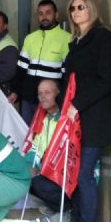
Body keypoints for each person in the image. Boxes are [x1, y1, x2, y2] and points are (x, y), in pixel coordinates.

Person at [62, 0, 111, 222]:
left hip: (95, 118)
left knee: (84, 174)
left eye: (81, 7)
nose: (75, 11)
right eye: (72, 8)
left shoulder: (104, 37)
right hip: (74, 117)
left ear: (92, 9)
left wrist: (78, 104)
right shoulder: (76, 42)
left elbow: (107, 79)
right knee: (73, 172)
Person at [10, 0, 72, 124]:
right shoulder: (30, 38)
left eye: (48, 13)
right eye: (40, 13)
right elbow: (21, 69)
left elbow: (67, 74)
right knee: (27, 133)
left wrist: (63, 99)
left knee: (48, 136)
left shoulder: (67, 38)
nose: (44, 17)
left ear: (56, 15)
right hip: (28, 96)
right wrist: (15, 91)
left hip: (51, 99)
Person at [26, 79, 70, 213]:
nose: (42, 97)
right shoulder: (45, 119)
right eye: (40, 93)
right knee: (20, 174)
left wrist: (40, 171)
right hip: (46, 172)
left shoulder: (66, 120)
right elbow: (36, 148)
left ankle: (66, 210)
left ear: (58, 94)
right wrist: (29, 165)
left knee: (38, 184)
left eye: (47, 92)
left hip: (63, 177)